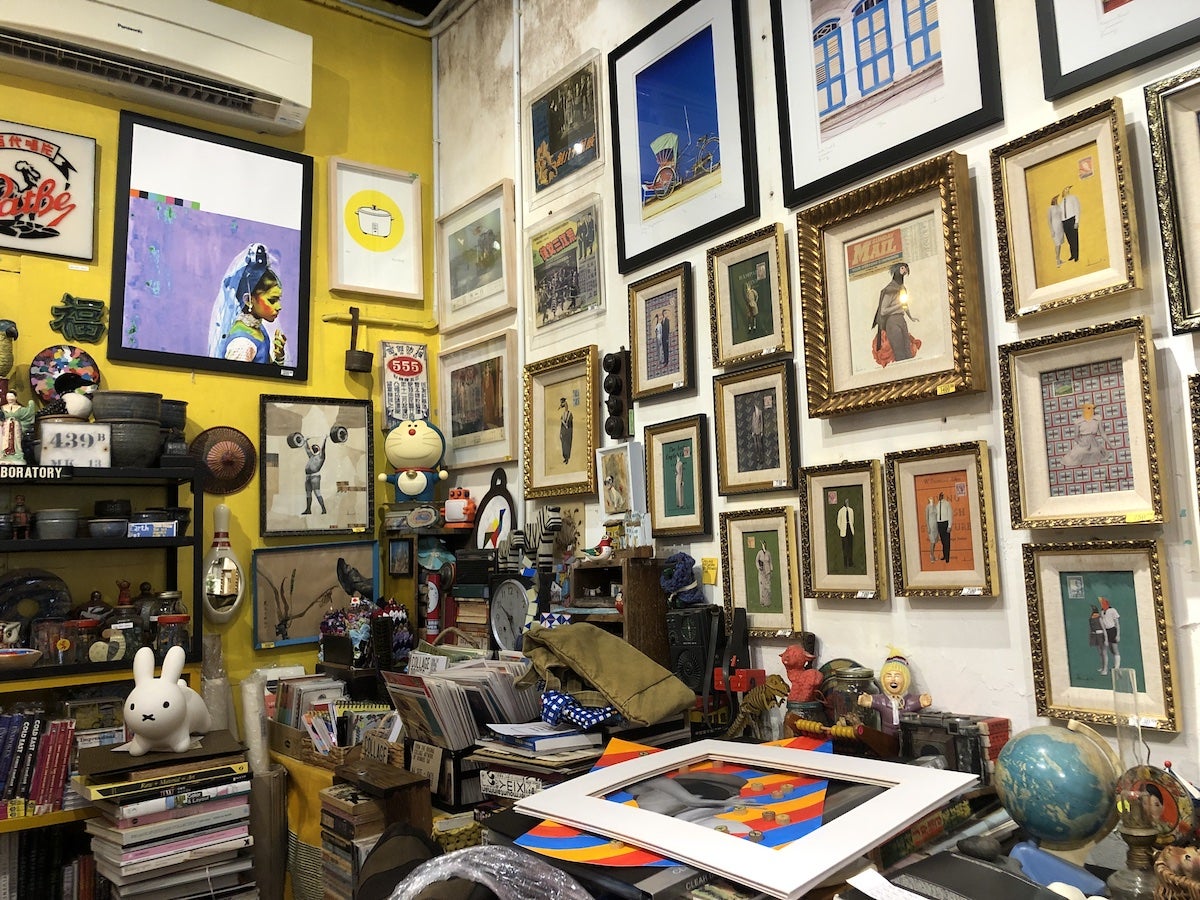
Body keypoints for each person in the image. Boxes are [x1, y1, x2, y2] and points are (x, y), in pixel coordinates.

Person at [208, 242, 288, 365]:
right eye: (272, 300)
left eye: (279, 300)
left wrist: (279, 357)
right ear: (249, 300)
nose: (279, 307)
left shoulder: (258, 330)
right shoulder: (242, 343)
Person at [858, 651, 933, 736]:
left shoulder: (908, 700)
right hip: (887, 733)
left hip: (906, 732)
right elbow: (877, 701)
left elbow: (912, 703)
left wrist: (921, 701)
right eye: (889, 676)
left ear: (905, 679)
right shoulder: (883, 700)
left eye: (897, 676)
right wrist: (869, 700)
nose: (893, 679)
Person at [871, 262, 920, 366]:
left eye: (906, 268)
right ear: (897, 270)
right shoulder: (890, 289)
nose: (905, 270)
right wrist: (899, 306)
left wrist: (911, 317)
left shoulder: (902, 288)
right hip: (892, 322)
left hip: (902, 320)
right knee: (899, 352)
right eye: (902, 268)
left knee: (908, 349)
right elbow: (883, 311)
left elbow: (904, 304)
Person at [1062, 402, 1110, 467]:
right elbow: (1076, 436)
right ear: (1084, 409)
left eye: (1093, 409)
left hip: (1093, 442)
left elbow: (1102, 433)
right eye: (1089, 408)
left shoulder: (1097, 419)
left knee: (1096, 452)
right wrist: (1080, 442)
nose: (1092, 410)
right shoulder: (1078, 421)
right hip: (1083, 442)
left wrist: (1110, 445)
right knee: (1078, 454)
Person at [0, 391, 35, 464]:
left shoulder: (19, 408)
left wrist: (31, 404)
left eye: (11, 396)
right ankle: (4, 455)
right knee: (5, 441)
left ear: (16, 397)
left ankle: (17, 455)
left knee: (16, 441)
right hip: (6, 427)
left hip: (16, 427)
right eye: (8, 397)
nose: (10, 398)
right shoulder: (3, 408)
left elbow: (27, 413)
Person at [302, 435, 328, 516]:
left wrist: (325, 440)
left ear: (318, 449)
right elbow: (307, 449)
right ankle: (308, 509)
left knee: (317, 493)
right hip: (308, 477)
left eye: (315, 447)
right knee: (308, 493)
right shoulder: (311, 456)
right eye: (313, 447)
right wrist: (305, 441)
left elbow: (323, 449)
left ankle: (323, 509)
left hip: (315, 477)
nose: (314, 448)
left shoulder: (321, 457)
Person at [1099, 596, 1120, 676]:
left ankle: (1116, 667)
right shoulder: (1102, 612)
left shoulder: (1113, 610)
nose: (1103, 605)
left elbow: (1117, 624)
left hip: (1112, 630)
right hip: (1105, 631)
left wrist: (1117, 635)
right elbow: (1102, 623)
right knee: (1107, 649)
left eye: (1104, 603)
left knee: (1114, 649)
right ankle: (1105, 668)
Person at [1061, 185, 1081, 262]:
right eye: (1065, 189)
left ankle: (1076, 256)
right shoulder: (1062, 202)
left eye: (1067, 189)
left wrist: (1076, 221)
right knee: (1069, 239)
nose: (1066, 190)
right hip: (1064, 222)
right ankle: (1072, 255)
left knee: (1074, 239)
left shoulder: (1073, 198)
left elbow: (1077, 209)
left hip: (1071, 219)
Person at [836, 497, 855, 569]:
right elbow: (838, 522)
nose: (847, 503)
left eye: (848, 502)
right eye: (846, 502)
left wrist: (850, 527)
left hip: (850, 530)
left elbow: (852, 520)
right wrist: (842, 528)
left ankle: (850, 562)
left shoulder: (851, 510)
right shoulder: (841, 511)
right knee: (845, 548)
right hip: (844, 531)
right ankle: (845, 564)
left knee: (850, 547)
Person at [1048, 193, 1066, 267]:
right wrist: (1051, 230)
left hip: (1060, 227)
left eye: (1057, 199)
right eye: (1055, 199)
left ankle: (1059, 258)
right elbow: (1049, 220)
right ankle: (1057, 260)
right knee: (1057, 244)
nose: (1056, 200)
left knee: (1059, 244)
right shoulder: (1050, 208)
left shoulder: (1059, 207)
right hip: (1055, 227)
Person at [935, 491, 953, 563]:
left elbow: (950, 514)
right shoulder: (937, 505)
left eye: (941, 496)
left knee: (947, 541)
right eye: (939, 496)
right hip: (939, 524)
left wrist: (949, 526)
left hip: (945, 523)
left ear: (943, 496)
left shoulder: (947, 504)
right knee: (943, 541)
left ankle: (947, 557)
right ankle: (944, 555)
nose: (940, 497)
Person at [755, 541, 773, 608]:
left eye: (765, 545)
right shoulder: (759, 553)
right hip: (761, 572)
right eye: (763, 545)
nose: (764, 546)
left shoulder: (768, 553)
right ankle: (762, 602)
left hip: (767, 572)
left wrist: (771, 570)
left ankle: (768, 603)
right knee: (762, 587)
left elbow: (770, 562)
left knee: (768, 587)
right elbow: (756, 561)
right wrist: (759, 567)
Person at [1088, 605, 1106, 670]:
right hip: (1094, 635)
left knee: (1103, 652)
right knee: (1100, 653)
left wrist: (1106, 638)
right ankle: (1102, 667)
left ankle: (1105, 668)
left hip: (1100, 635)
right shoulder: (1091, 618)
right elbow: (1091, 628)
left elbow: (1104, 628)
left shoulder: (1100, 618)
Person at [558, 397, 573, 465]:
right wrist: (560, 433)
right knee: (563, 445)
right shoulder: (563, 415)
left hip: (568, 433)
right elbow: (562, 426)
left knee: (567, 445)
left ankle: (567, 458)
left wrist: (565, 424)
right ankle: (565, 457)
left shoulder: (570, 414)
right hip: (564, 433)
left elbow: (569, 424)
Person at [925, 496, 939, 563]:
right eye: (930, 499)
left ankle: (933, 555)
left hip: (935, 526)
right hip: (930, 525)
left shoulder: (935, 506)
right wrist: (928, 527)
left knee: (935, 541)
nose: (931, 500)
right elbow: (926, 518)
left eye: (932, 499)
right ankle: (931, 556)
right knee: (932, 542)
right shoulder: (927, 507)